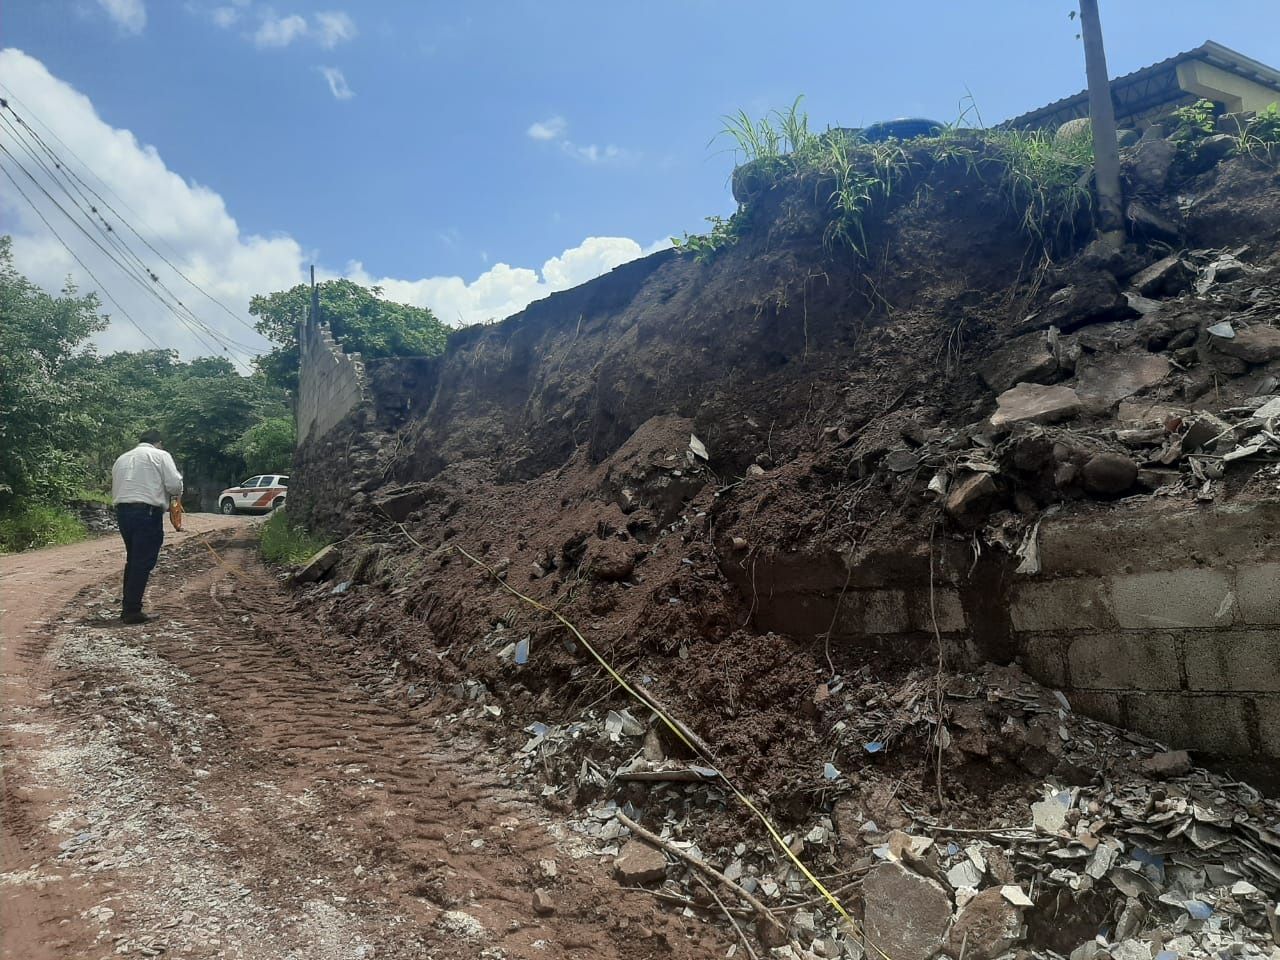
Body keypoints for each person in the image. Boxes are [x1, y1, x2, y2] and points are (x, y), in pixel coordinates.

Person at [111, 430, 184, 624]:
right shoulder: (160, 455)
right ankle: (131, 611)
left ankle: (129, 606)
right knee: (142, 561)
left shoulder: (122, 458)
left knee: (134, 559)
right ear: (158, 443)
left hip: (123, 513)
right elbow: (174, 485)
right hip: (147, 513)